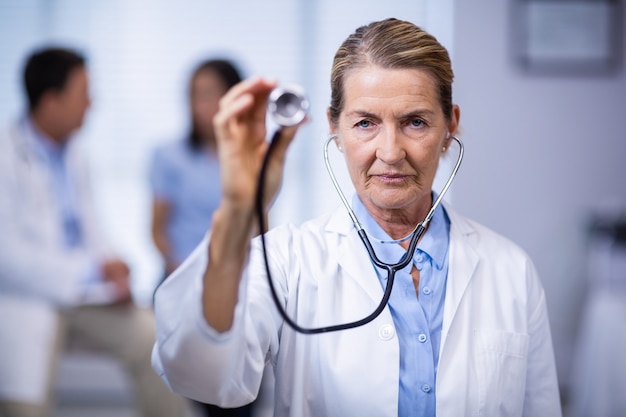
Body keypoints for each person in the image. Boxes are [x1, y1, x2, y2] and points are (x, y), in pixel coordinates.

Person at [151, 18, 562, 417]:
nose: (390, 151)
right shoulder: (288, 262)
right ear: (334, 127)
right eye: (365, 123)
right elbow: (201, 376)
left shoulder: (510, 269)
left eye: (415, 122)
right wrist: (239, 209)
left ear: (450, 126)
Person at [0, 47, 185, 417]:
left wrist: (112, 262)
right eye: (83, 93)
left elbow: (91, 229)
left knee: (153, 338)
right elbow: (7, 258)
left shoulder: (75, 155)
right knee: (25, 404)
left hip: (84, 294)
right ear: (51, 101)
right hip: (26, 298)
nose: (91, 103)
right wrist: (90, 269)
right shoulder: (6, 154)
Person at [149, 59, 255, 417]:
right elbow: (157, 230)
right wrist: (180, 265)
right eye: (196, 96)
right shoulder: (168, 156)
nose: (202, 105)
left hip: (237, 281)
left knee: (237, 390)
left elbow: (258, 227)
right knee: (190, 388)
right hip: (183, 278)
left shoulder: (251, 156)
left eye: (211, 95)